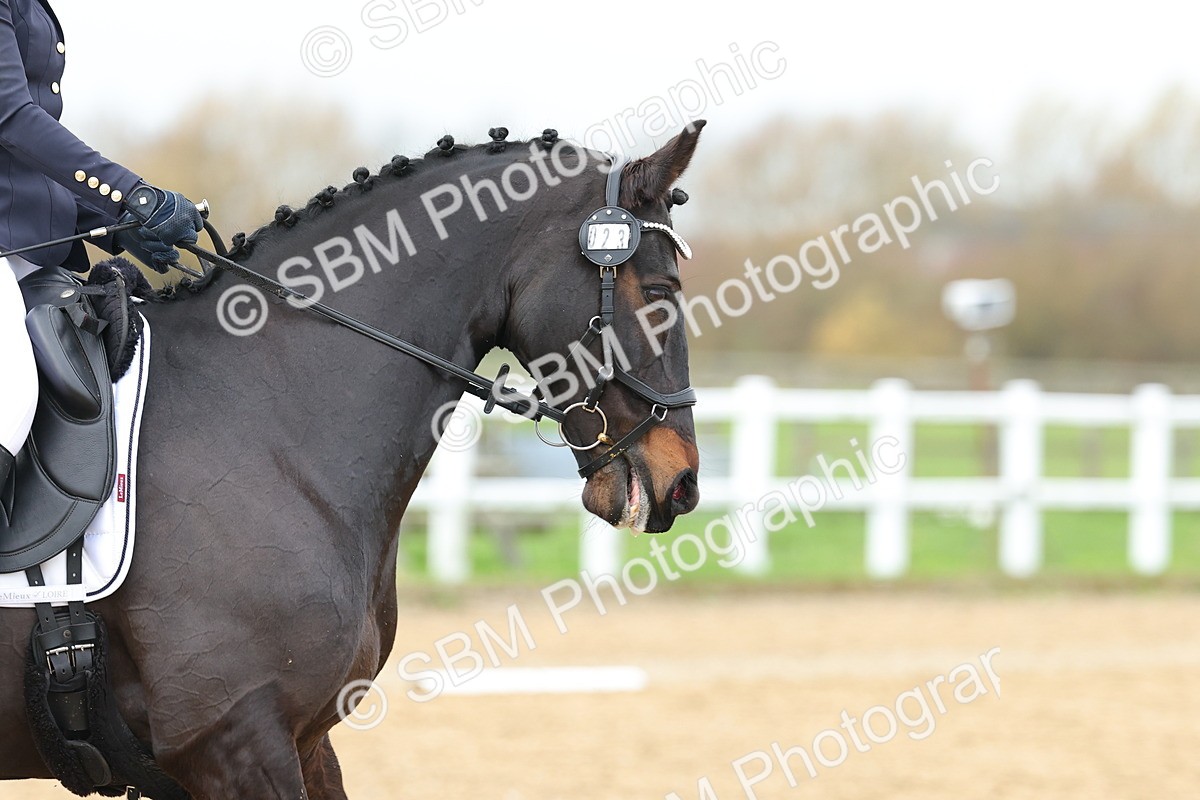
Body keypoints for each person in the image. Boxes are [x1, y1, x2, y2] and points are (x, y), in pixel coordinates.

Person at [0, 0, 203, 488]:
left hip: (26, 257)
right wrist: (130, 194)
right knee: (9, 399)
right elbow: (10, 118)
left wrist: (120, 223)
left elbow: (24, 166)